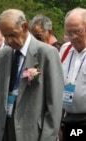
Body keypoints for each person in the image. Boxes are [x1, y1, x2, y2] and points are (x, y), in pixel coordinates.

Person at [0, 9, 64, 141]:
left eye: (12, 35)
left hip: (33, 133)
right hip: (5, 130)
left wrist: (48, 138)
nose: (8, 41)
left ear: (25, 26)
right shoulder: (3, 55)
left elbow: (54, 104)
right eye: (4, 36)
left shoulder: (47, 53)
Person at [60, 7, 86, 141]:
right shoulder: (65, 49)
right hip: (68, 117)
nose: (73, 37)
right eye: (69, 33)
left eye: (78, 31)